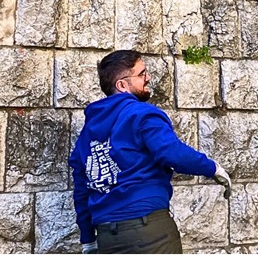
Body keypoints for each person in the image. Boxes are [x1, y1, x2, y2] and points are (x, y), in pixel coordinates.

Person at [69, 51, 232, 254]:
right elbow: (171, 152)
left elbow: (82, 190)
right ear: (122, 85)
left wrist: (88, 240)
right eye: (141, 74)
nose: (148, 78)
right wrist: (212, 168)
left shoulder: (86, 134)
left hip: (107, 238)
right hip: (149, 234)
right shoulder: (142, 114)